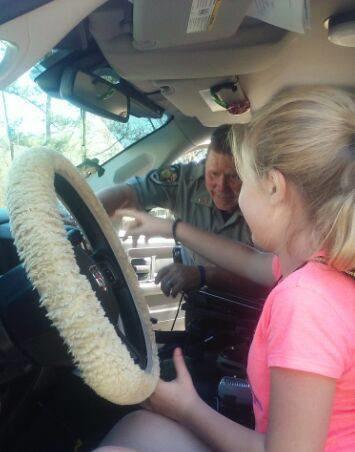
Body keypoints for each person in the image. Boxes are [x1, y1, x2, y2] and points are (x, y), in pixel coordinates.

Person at [95, 86, 355, 451]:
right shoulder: (326, 267)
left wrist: (186, 408)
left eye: (243, 179)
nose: (234, 192)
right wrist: (169, 228)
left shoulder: (305, 303)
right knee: (139, 425)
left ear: (274, 187)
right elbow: (253, 262)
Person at [98, 124, 259, 297]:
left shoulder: (265, 200)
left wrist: (203, 274)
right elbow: (127, 194)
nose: (221, 187)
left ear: (251, 173)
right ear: (204, 165)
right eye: (213, 174)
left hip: (250, 308)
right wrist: (88, 211)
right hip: (200, 303)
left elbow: (269, 273)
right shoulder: (184, 180)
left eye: (234, 177)